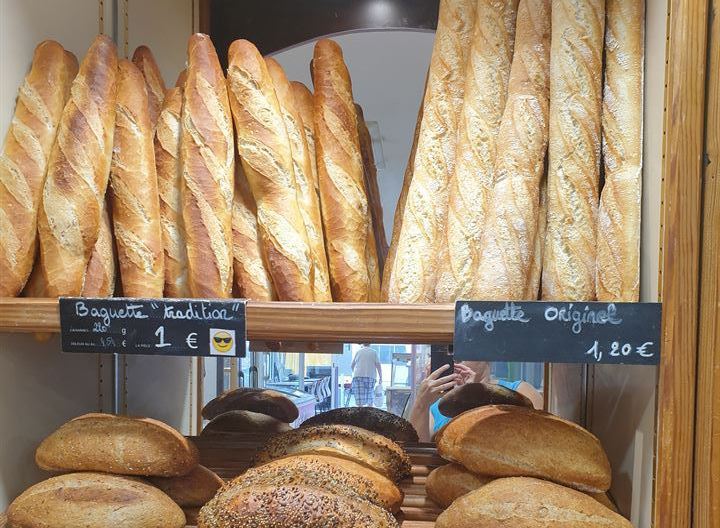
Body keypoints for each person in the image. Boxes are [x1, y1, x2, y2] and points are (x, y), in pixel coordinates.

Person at [408, 360, 543, 442]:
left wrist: (472, 398)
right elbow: (417, 451)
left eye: (462, 353)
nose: (455, 360)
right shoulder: (435, 407)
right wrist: (422, 402)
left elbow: (535, 439)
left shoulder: (521, 391)